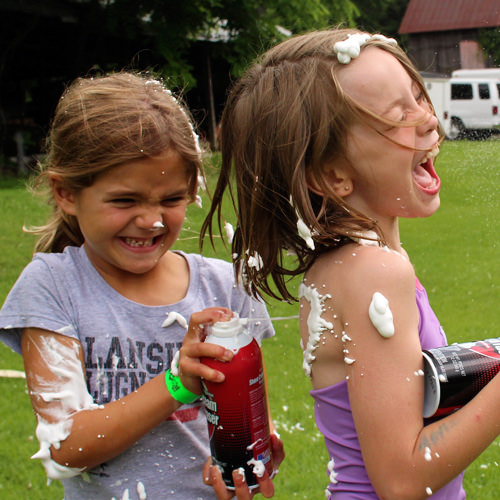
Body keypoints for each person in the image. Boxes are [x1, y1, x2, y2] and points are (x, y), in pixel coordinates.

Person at [202, 27, 500, 499]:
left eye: (419, 96)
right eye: (397, 115)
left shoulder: (355, 265)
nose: (427, 120)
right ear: (333, 174)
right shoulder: (372, 272)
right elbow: (402, 478)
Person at [0, 72, 282, 500]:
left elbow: (249, 412)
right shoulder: (52, 287)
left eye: (171, 200)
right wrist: (177, 382)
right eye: (125, 200)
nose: (151, 220)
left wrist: (254, 451)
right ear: (66, 193)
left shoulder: (225, 287)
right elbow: (66, 446)